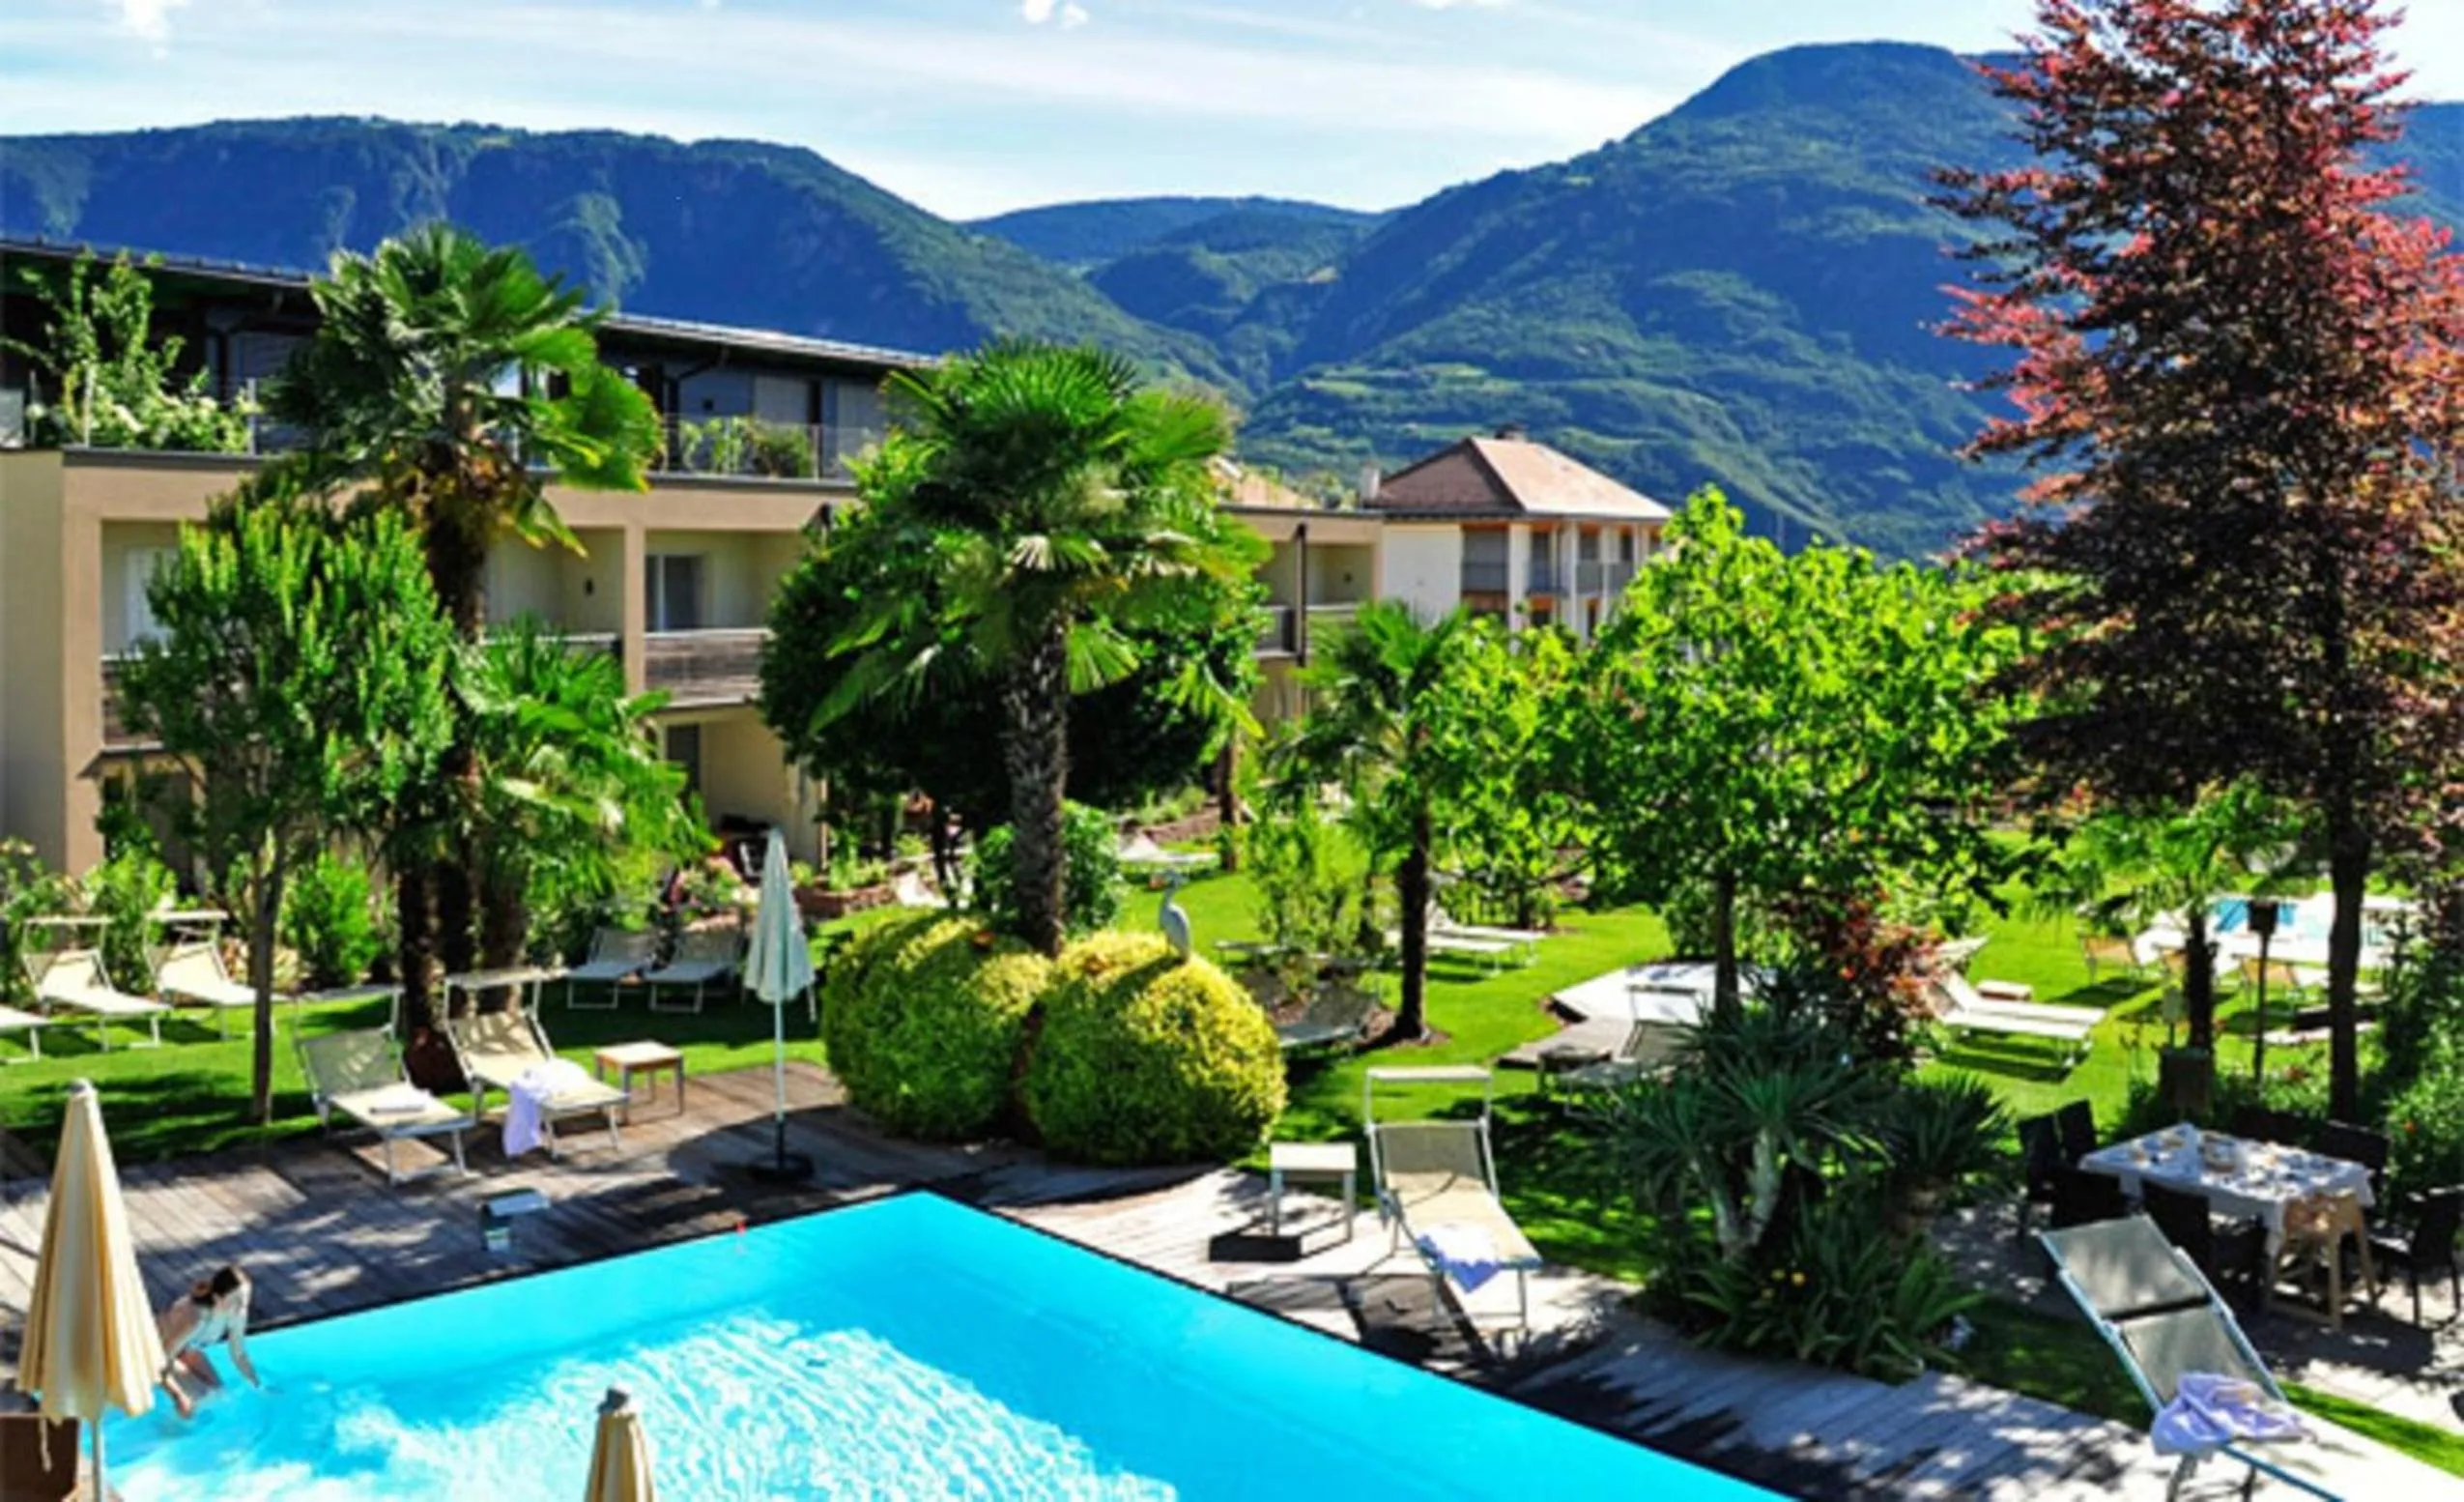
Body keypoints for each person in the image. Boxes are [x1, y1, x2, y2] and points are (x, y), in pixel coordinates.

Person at [157, 1265, 260, 1418]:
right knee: (197, 1399)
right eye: (236, 1301)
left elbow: (239, 1354)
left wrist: (258, 1387)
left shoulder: (238, 1313)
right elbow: (160, 1361)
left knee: (219, 1395)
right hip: (154, 1351)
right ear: (218, 1299)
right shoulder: (197, 1319)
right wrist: (177, 1395)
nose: (242, 1307)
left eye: (246, 1299)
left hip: (182, 1350)